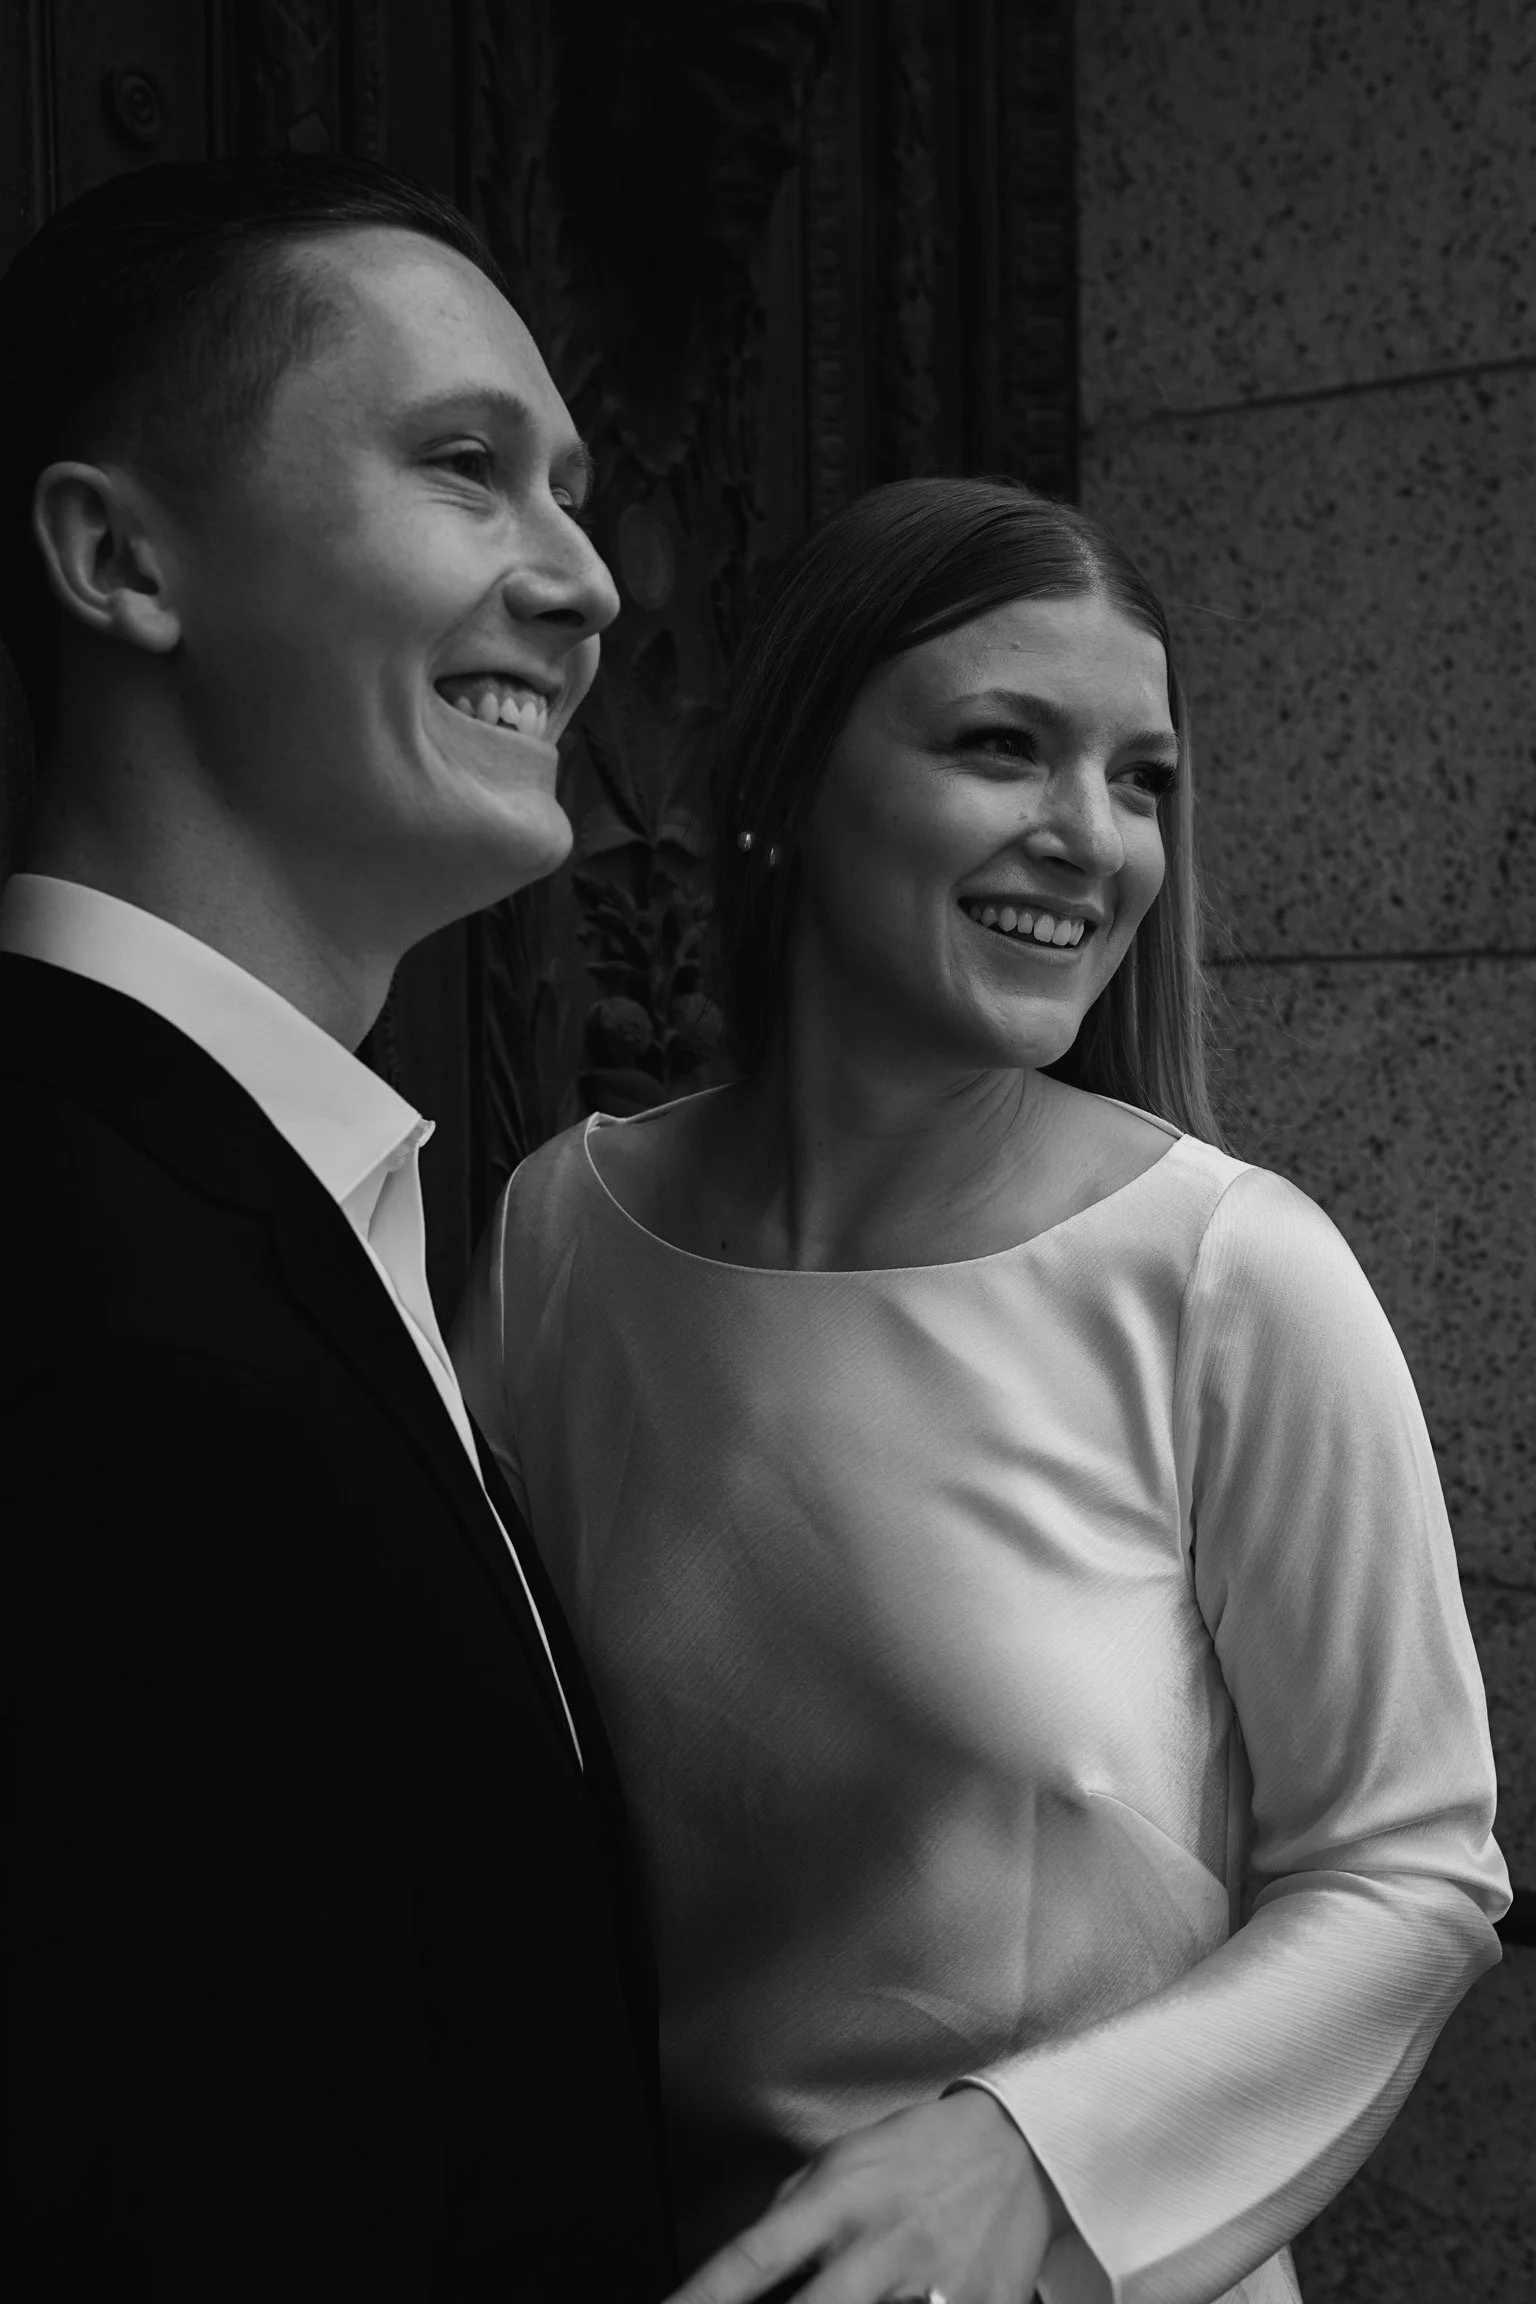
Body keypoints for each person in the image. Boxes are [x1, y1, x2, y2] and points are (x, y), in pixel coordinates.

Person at [452, 477, 1511, 2304]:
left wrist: (1034, 2154)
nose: (1090, 839)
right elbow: (483, 1819)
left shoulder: (1231, 1276)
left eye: (1142, 778)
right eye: (1004, 746)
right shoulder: (567, 1238)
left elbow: (1415, 1872)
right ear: (783, 786)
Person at [0, 156, 675, 2299]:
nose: (586, 584)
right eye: (467, 469)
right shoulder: (91, 1304)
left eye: (573, 488)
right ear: (121, 559)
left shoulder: (281, 1206)